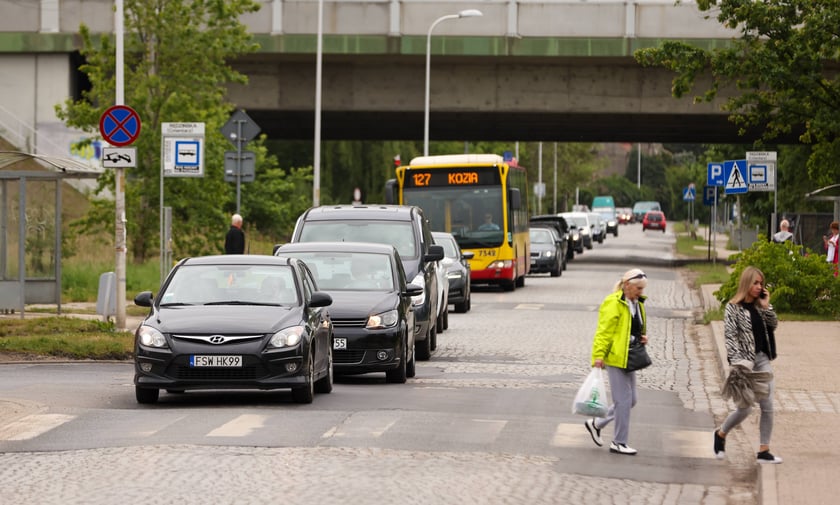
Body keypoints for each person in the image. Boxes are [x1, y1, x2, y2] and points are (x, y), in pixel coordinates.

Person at [713, 266, 782, 464]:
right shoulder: (733, 307)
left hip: (762, 360)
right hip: (744, 363)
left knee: (768, 405)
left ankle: (763, 451)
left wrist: (767, 306)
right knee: (745, 408)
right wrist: (737, 364)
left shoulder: (761, 306)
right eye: (755, 283)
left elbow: (773, 325)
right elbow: (730, 337)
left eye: (761, 283)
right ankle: (721, 433)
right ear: (747, 284)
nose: (759, 287)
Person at [584, 268, 648, 456]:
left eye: (642, 289)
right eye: (638, 288)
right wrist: (598, 356)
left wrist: (641, 337)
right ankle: (619, 442)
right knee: (623, 400)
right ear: (627, 285)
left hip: (630, 356)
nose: (640, 292)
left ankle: (597, 423)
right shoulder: (613, 303)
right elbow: (603, 332)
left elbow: (634, 327)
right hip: (615, 357)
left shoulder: (636, 303)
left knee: (631, 400)